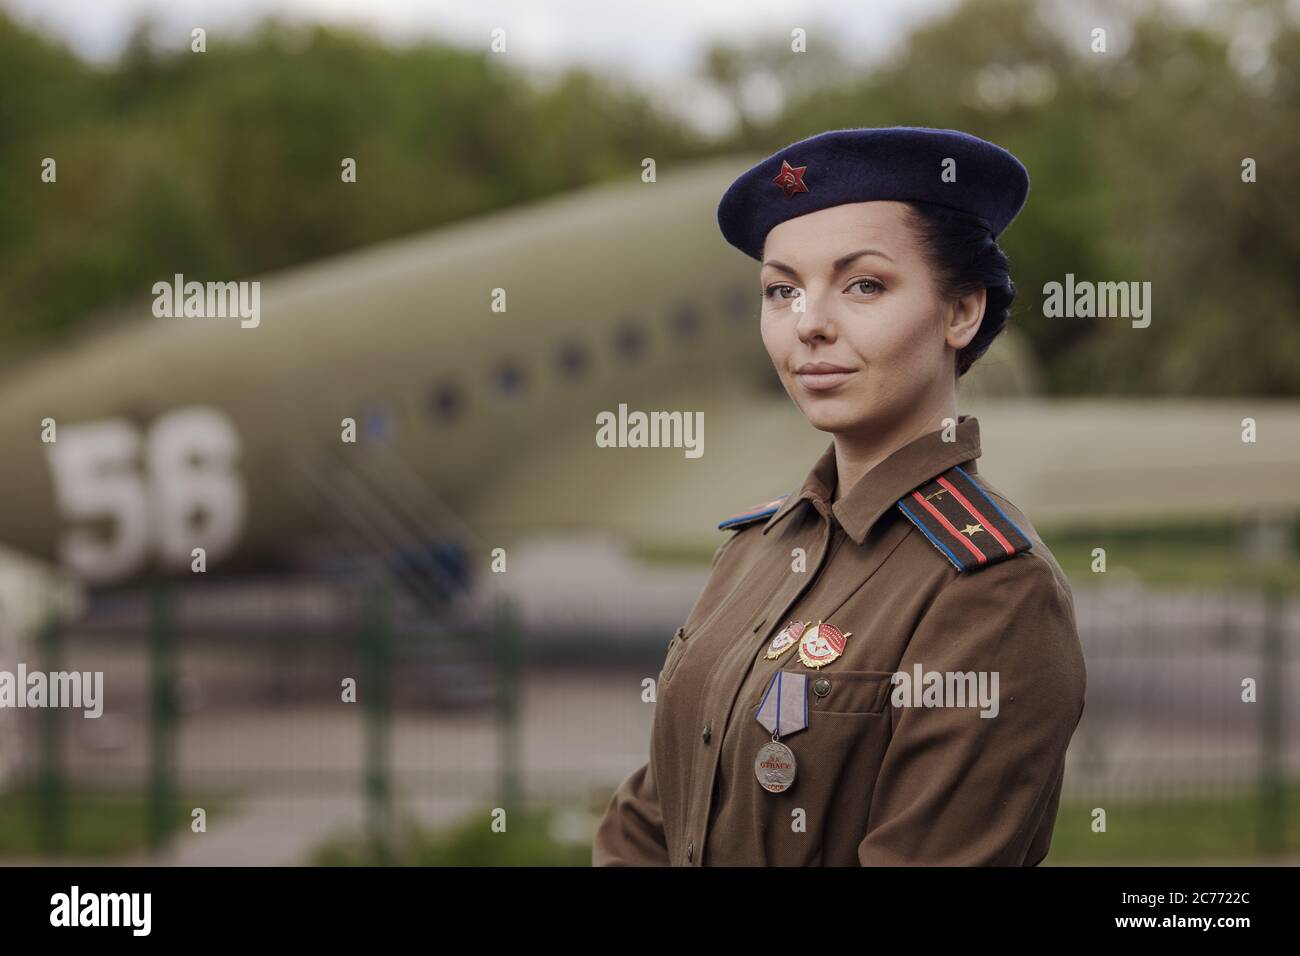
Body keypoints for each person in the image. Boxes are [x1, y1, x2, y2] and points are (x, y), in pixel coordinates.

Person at [592, 126, 1087, 866]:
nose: (810, 324)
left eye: (864, 285)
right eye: (781, 290)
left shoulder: (992, 591)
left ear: (961, 313)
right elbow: (648, 822)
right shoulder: (756, 551)